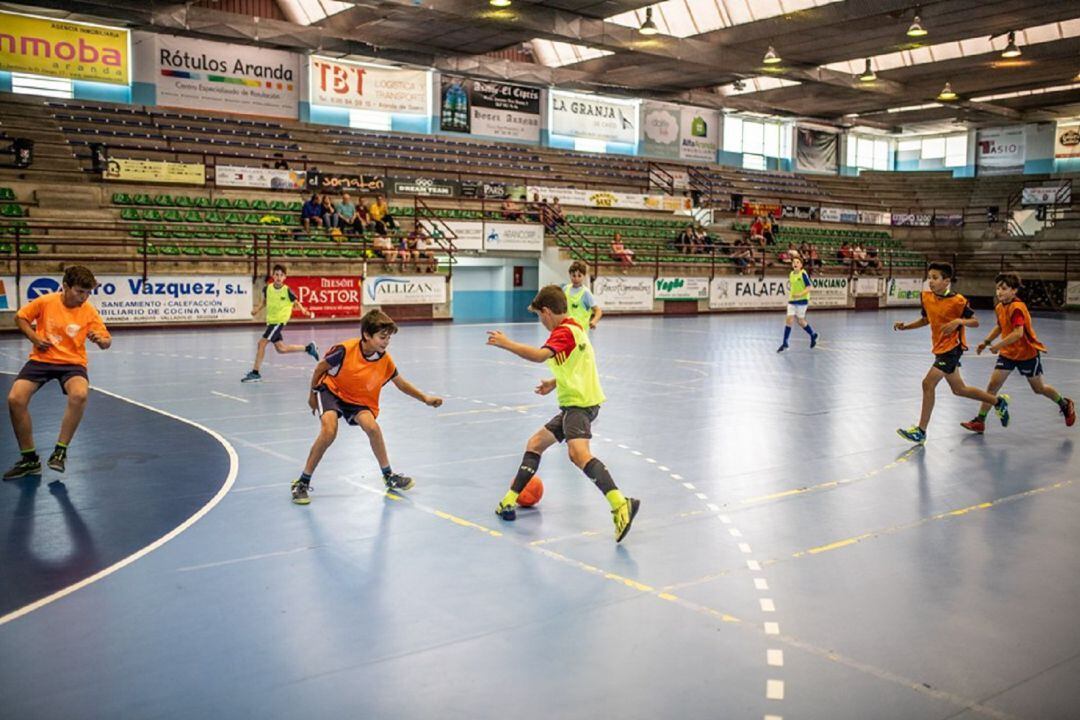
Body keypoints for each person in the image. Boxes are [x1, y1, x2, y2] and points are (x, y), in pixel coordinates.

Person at [486, 285, 640, 542]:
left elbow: (539, 356)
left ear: (546, 312)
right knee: (536, 443)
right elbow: (575, 365)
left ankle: (620, 503)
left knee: (578, 454)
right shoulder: (576, 329)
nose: (540, 321)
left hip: (579, 405)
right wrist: (553, 382)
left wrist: (506, 343)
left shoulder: (563, 332)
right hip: (577, 403)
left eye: (539, 316)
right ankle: (508, 501)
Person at [291, 309, 443, 504]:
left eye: (388, 338)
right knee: (329, 430)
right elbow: (320, 368)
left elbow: (400, 383)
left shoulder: (384, 359)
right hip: (331, 390)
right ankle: (302, 482)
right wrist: (312, 394)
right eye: (382, 337)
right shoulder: (344, 350)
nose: (386, 341)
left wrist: (425, 398)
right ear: (366, 335)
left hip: (357, 400)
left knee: (372, 427)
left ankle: (388, 475)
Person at [4, 265, 111, 478]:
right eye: (80, 291)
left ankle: (60, 452)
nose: (84, 297)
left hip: (72, 363)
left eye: (88, 293)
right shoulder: (46, 302)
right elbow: (20, 317)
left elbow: (106, 340)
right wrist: (34, 337)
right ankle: (29, 459)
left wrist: (101, 341)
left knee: (79, 394)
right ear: (65, 287)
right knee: (15, 399)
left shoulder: (89, 311)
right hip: (42, 360)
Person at [893, 262, 1010, 444]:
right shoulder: (926, 297)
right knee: (959, 389)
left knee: (927, 383)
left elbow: (975, 322)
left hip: (952, 349)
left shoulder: (958, 301)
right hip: (939, 348)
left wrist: (958, 321)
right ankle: (997, 402)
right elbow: (926, 320)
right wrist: (905, 327)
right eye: (929, 277)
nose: (930, 281)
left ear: (946, 281)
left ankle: (921, 431)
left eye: (935, 278)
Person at [961, 273, 1074, 433]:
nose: (999, 292)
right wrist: (986, 342)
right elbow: (1000, 326)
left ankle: (1064, 403)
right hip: (1008, 354)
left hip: (1026, 354)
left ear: (1014, 291)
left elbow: (1018, 333)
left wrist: (997, 345)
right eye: (998, 288)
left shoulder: (1017, 308)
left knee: (1039, 388)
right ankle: (980, 420)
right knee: (992, 386)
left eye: (1004, 288)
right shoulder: (1000, 306)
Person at [242, 264, 319, 383]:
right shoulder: (268, 288)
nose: (278, 277)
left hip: (278, 322)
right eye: (276, 274)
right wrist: (257, 309)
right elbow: (265, 302)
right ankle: (309, 348)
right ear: (273, 276)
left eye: (281, 275)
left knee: (261, 343)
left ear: (285, 277)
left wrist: (303, 310)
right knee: (281, 348)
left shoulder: (287, 290)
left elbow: (296, 302)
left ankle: (255, 373)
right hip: (271, 322)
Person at [777, 254, 819, 352]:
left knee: (801, 321)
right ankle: (785, 343)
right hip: (792, 300)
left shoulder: (803, 274)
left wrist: (800, 294)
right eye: (794, 262)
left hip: (802, 300)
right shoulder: (791, 274)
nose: (795, 264)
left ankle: (812, 334)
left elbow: (809, 287)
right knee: (789, 320)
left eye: (797, 262)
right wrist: (793, 295)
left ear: (801, 265)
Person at [564, 260, 602, 332]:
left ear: (584, 276)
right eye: (573, 275)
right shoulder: (565, 289)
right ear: (570, 275)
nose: (576, 278)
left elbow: (598, 311)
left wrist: (594, 321)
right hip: (567, 329)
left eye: (579, 276)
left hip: (580, 332)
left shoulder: (586, 293)